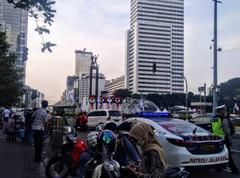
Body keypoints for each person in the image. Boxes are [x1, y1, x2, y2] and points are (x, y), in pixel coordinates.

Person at [212, 105, 239, 174]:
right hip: (224, 138)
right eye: (223, 110)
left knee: (218, 153)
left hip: (216, 139)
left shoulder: (214, 118)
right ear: (220, 111)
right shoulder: (223, 119)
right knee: (228, 154)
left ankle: (218, 167)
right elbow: (227, 131)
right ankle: (234, 169)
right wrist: (230, 138)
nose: (224, 111)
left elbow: (214, 129)